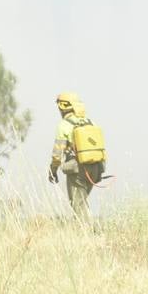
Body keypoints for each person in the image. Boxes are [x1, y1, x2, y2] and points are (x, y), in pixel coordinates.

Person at [48, 92, 104, 221]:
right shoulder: (90, 122)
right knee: (81, 203)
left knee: (78, 205)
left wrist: (53, 170)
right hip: (96, 169)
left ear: (62, 106)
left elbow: (57, 155)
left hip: (78, 170)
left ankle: (90, 235)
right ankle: (85, 230)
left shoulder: (64, 125)